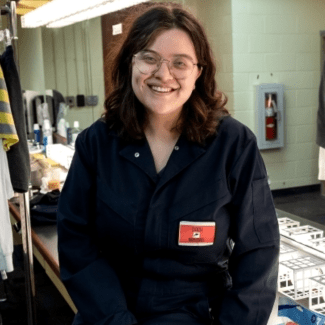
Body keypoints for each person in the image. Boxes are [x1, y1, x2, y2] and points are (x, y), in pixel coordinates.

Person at [57, 2, 280, 325]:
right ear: (130, 62)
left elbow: (259, 252)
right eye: (149, 58)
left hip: (198, 315)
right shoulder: (97, 143)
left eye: (180, 63)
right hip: (110, 315)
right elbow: (76, 240)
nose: (163, 74)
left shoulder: (233, 145)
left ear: (198, 73)